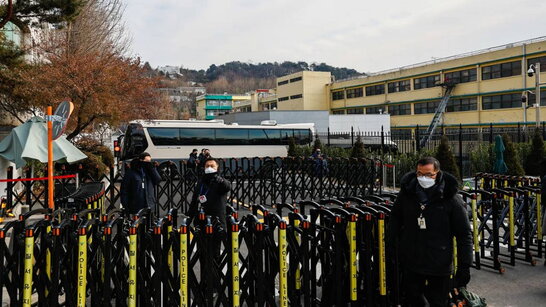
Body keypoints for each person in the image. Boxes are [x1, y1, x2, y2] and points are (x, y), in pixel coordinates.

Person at [388, 157, 472, 307]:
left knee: (438, 302)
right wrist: (391, 247)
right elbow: (395, 219)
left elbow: (464, 234)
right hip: (412, 260)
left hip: (439, 262)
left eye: (428, 175)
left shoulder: (451, 199)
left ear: (437, 173)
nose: (423, 178)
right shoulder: (407, 194)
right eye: (419, 174)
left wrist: (464, 266)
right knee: (413, 300)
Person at [187, 158, 231, 230]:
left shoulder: (220, 181)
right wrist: (190, 217)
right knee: (201, 239)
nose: (209, 168)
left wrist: (221, 181)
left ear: (217, 167)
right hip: (201, 218)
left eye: (212, 166)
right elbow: (194, 200)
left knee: (216, 240)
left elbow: (227, 187)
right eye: (207, 166)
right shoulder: (201, 182)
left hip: (217, 220)